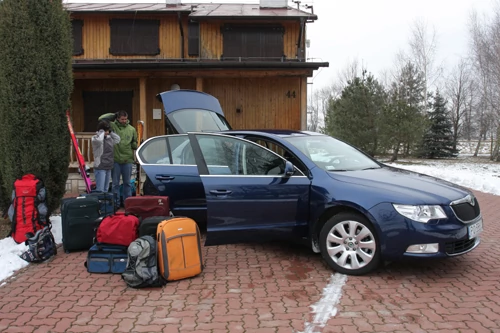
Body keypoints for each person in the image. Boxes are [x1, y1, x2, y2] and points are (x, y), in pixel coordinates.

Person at [98, 110, 137, 207]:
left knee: (127, 183)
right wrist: (113, 115)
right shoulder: (112, 126)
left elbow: (134, 144)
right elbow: (101, 119)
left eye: (125, 119)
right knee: (115, 184)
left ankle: (127, 203)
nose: (124, 121)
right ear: (118, 118)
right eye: (122, 119)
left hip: (127, 160)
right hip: (115, 159)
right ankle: (116, 203)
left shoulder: (132, 129)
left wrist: (138, 144)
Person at [91, 120, 120, 192]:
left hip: (108, 166)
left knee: (106, 190)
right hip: (100, 167)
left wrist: (111, 132)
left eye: (107, 130)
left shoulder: (109, 138)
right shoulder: (95, 138)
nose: (107, 132)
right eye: (105, 130)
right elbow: (99, 141)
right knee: (100, 190)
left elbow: (118, 139)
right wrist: (101, 132)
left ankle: (105, 203)